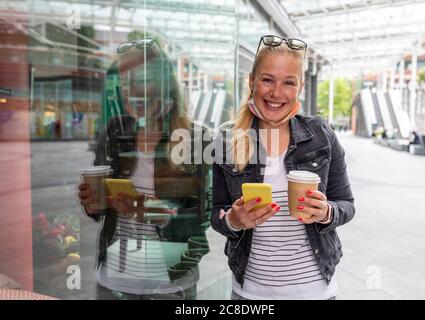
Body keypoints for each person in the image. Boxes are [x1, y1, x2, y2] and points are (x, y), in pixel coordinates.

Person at [211, 35, 355, 300]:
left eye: (288, 82)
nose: (276, 93)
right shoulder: (226, 140)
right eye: (267, 80)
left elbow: (346, 204)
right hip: (249, 294)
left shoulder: (322, 134)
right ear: (252, 80)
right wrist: (233, 220)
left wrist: (325, 212)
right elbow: (216, 213)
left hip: (315, 292)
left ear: (300, 87)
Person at [77, 38, 211, 299]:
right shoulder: (115, 130)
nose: (132, 91)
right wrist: (93, 204)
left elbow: (204, 218)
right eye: (126, 83)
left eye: (143, 81)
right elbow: (102, 208)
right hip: (114, 280)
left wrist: (154, 213)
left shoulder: (195, 137)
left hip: (171, 284)